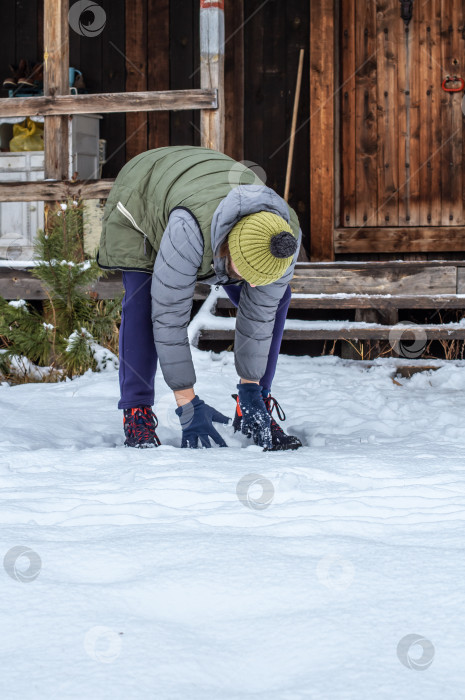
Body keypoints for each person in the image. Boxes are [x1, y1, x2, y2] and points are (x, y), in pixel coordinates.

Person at [97, 145, 302, 451]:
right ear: (227, 250)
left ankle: (254, 403)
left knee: (274, 300)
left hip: (201, 193)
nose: (246, 282)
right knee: (146, 303)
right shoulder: (188, 231)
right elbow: (168, 317)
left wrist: (251, 389)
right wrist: (187, 401)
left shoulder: (285, 239)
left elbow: (260, 316)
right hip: (142, 195)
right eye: (243, 271)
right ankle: (136, 411)